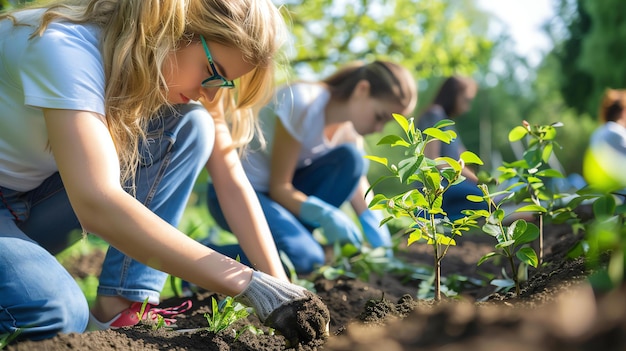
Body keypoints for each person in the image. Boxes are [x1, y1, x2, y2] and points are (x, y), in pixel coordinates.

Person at [0, 0, 329, 343]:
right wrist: (247, 283)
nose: (209, 92)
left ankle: (123, 306)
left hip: (28, 200)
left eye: (223, 83)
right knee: (56, 313)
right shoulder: (63, 47)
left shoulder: (160, 63)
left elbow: (231, 181)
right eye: (212, 70)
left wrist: (284, 292)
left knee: (191, 124)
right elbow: (97, 203)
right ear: (172, 28)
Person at [204, 60, 418, 275]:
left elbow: (360, 189)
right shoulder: (303, 102)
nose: (378, 128)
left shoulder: (349, 131)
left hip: (279, 202)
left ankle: (301, 245)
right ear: (362, 90)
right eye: (379, 116)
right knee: (304, 258)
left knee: (353, 159)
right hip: (235, 195)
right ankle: (203, 256)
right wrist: (326, 215)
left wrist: (378, 234)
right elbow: (280, 188)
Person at [416, 75, 487, 220]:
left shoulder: (447, 122)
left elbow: (460, 162)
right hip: (438, 187)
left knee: (484, 198)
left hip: (450, 185)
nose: (467, 107)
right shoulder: (434, 115)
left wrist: (478, 180)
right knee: (479, 198)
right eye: (466, 100)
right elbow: (432, 161)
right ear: (454, 95)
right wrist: (475, 181)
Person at [583, 88, 626, 192]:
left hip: (599, 189)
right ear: (623, 112)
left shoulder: (598, 132)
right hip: (617, 189)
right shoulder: (616, 131)